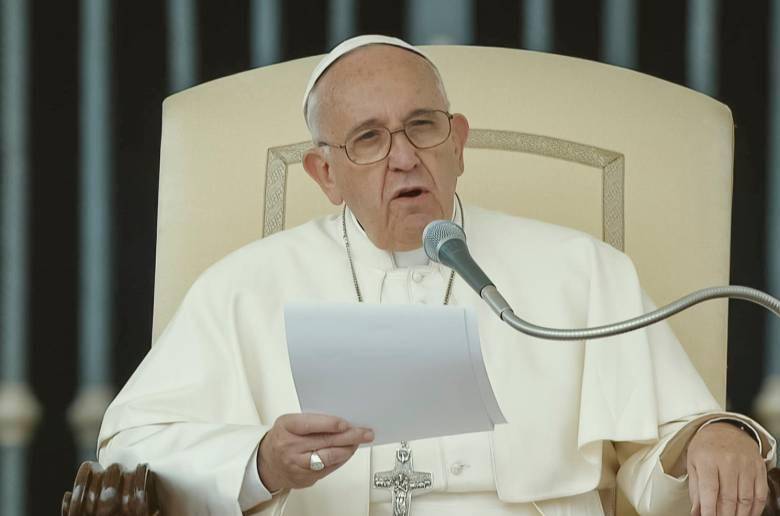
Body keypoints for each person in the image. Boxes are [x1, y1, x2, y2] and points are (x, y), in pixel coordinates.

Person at [97, 35, 776, 516]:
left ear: (457, 142)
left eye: (421, 127)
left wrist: (709, 437)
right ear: (325, 174)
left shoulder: (580, 268)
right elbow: (132, 449)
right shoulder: (243, 287)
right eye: (367, 139)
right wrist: (258, 462)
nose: (402, 158)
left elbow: (660, 454)